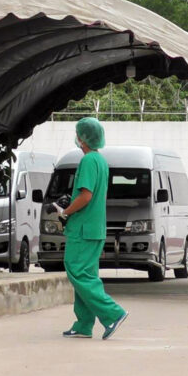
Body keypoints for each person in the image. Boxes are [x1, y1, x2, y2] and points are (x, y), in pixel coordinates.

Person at [49, 117, 128, 340]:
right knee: (87, 275)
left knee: (77, 272)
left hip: (82, 229)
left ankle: (113, 313)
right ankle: (84, 323)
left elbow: (85, 195)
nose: (76, 137)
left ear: (83, 139)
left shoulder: (87, 161)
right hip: (95, 228)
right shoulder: (101, 161)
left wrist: (66, 211)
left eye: (77, 134)